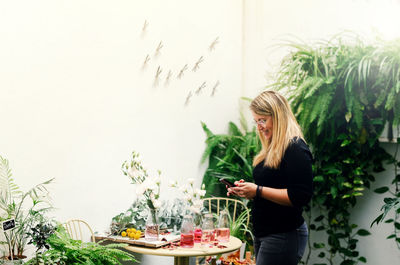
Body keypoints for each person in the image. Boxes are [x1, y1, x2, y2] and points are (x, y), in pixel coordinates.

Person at [227, 90, 313, 265]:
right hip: (266, 234)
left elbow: (300, 196)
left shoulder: (295, 148)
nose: (259, 126)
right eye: (256, 121)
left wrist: (257, 190)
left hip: (283, 235)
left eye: (262, 120)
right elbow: (270, 184)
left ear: (278, 117)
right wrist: (247, 190)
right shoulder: (273, 147)